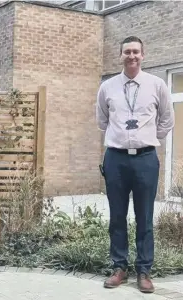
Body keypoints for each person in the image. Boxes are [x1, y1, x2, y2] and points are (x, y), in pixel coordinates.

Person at [96, 36, 175, 293]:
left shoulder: (157, 85)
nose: (132, 56)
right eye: (127, 52)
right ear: (120, 55)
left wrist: (148, 139)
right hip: (116, 158)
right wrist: (121, 138)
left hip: (145, 159)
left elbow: (166, 119)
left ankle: (144, 271)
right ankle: (119, 267)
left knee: (145, 217)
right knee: (117, 216)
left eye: (136, 52)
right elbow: (102, 120)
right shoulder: (108, 87)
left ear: (143, 55)